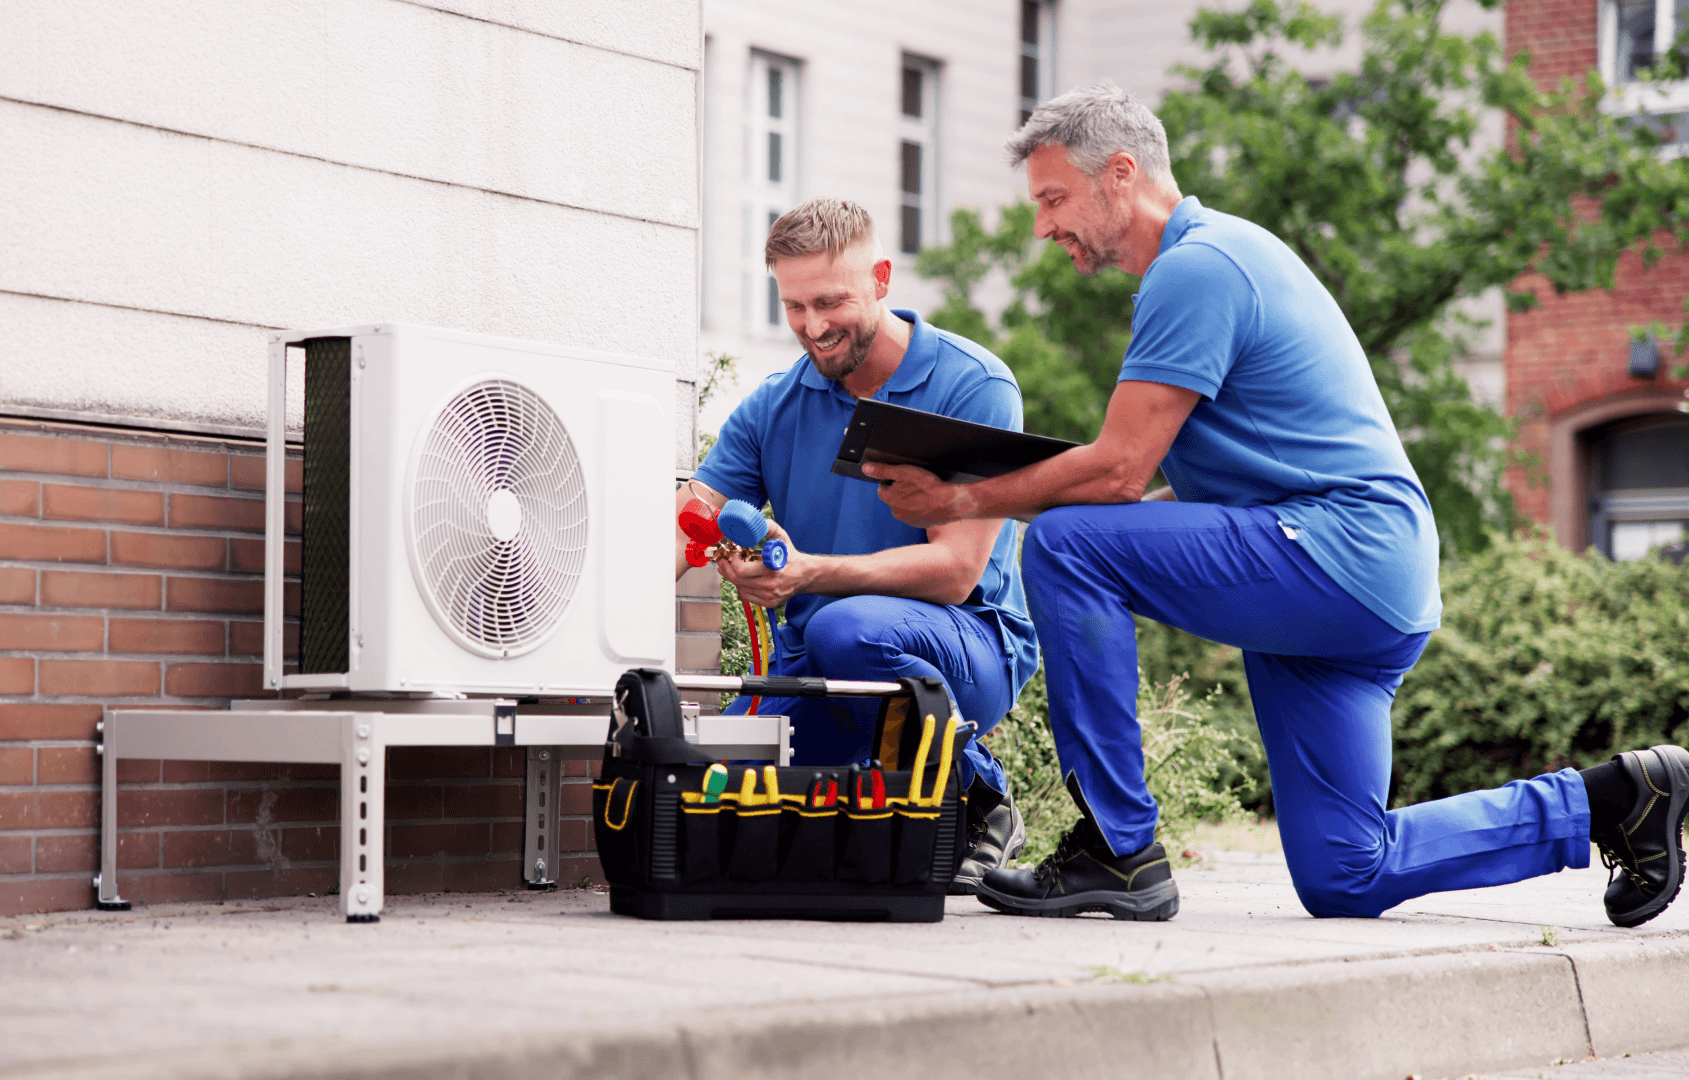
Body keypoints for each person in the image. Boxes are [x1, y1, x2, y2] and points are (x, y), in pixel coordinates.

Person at [868, 83, 1689, 925]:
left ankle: (1117, 848)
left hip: (1336, 552)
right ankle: (1614, 798)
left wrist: (964, 496)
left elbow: (1114, 474)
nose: (1044, 226)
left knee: (1069, 544)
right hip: (1358, 579)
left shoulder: (1197, 268)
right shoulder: (1222, 258)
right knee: (1346, 871)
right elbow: (1171, 483)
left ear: (1121, 173)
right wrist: (1085, 515)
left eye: (1053, 199)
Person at [678, 198, 1041, 892]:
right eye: (793, 306)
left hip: (964, 648)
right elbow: (688, 517)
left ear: (880, 277)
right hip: (817, 659)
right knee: (704, 795)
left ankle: (980, 795)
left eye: (829, 301)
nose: (812, 327)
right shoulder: (774, 405)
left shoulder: (972, 385)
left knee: (848, 626)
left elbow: (957, 571)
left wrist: (807, 573)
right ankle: (881, 797)